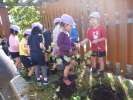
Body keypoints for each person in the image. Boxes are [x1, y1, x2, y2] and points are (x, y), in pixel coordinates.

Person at [80, 12, 107, 78]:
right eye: (91, 19)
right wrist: (83, 41)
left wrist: (97, 40)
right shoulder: (89, 29)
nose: (92, 21)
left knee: (101, 60)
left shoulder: (101, 28)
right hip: (93, 48)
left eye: (94, 19)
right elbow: (87, 37)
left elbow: (104, 37)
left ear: (98, 20)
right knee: (93, 59)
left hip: (100, 48)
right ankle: (94, 68)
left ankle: (101, 71)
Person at [57, 14, 77, 85]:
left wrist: (73, 43)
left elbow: (67, 42)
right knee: (67, 66)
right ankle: (65, 78)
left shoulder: (66, 33)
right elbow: (60, 45)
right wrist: (68, 48)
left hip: (67, 53)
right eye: (70, 25)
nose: (71, 27)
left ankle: (69, 71)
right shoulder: (61, 34)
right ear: (65, 25)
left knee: (71, 63)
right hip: (64, 54)